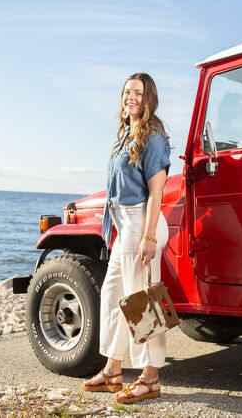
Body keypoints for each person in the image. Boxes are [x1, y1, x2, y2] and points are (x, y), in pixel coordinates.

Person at [81, 73, 170, 404]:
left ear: (148, 99)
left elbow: (157, 192)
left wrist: (148, 236)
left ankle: (151, 377)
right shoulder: (126, 135)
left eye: (138, 92)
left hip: (141, 223)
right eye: (127, 91)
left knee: (141, 301)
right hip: (124, 226)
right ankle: (113, 370)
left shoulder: (153, 137)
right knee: (112, 295)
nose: (130, 97)